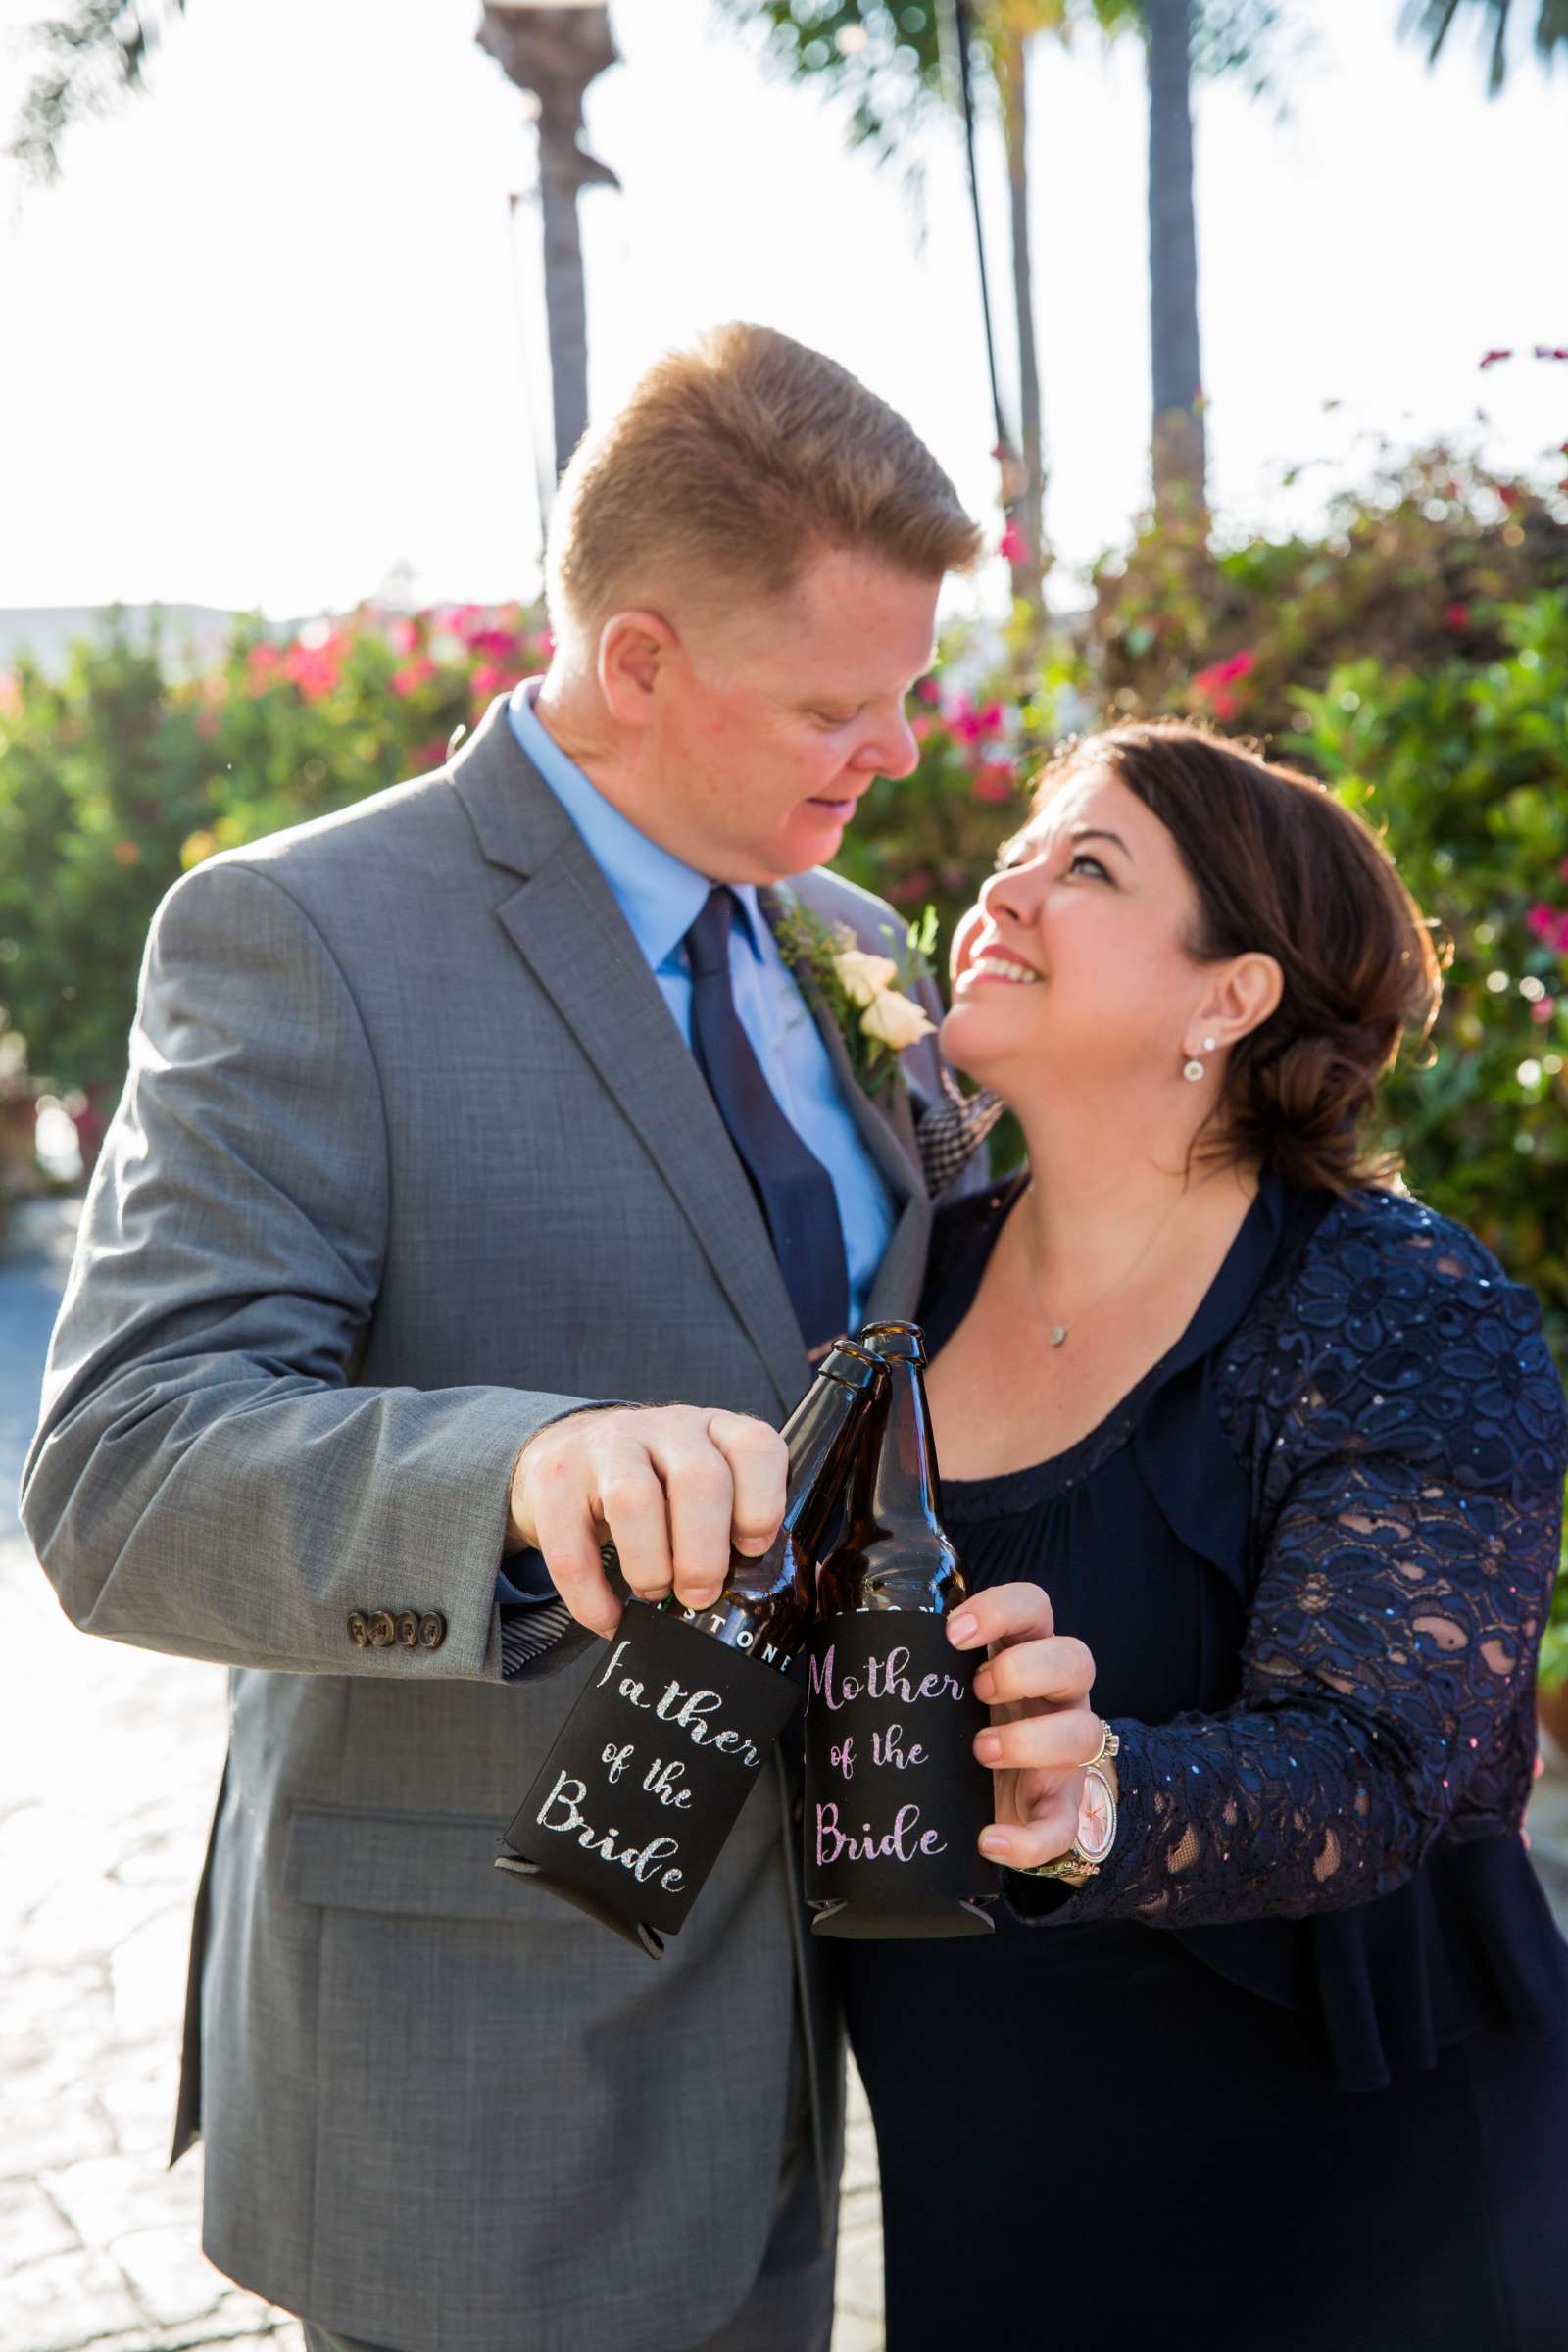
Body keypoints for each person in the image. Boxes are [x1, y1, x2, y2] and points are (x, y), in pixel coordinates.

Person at [20, 322, 987, 2352]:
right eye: (838, 700)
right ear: (634, 662)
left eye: (908, 692)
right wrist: (518, 1477)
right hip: (472, 2051)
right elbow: (121, 1473)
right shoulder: (304, 936)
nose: (896, 749)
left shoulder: (854, 945)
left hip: (810, 2020)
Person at [842, 721, 1568, 2351]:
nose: (1007, 886)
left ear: (1228, 997)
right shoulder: (910, 1275)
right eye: (1023, 848)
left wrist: (1106, 1796)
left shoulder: (1393, 1298)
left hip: (1358, 2199)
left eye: (1086, 866)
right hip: (993, 2163)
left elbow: (1385, 1766)